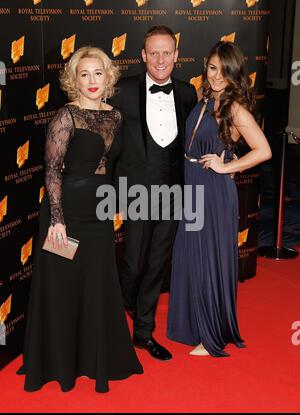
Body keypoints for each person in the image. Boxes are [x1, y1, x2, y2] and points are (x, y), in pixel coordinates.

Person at [17, 46, 143, 392]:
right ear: (74, 79)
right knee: (63, 287)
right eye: (84, 74)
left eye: (98, 73)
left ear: (108, 78)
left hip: (98, 214)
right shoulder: (65, 115)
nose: (91, 80)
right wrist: (57, 219)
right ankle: (60, 363)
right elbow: (53, 172)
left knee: (97, 285)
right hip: (66, 213)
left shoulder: (115, 116)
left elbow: (111, 166)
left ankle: (96, 357)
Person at [167, 41, 272, 357]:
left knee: (209, 262)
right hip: (193, 187)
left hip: (213, 191)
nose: (216, 77)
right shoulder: (204, 99)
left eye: (224, 72)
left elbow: (263, 150)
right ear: (205, 65)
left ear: (234, 74)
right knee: (190, 258)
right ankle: (192, 326)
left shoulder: (234, 108)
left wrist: (228, 165)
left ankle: (211, 335)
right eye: (212, 68)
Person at [113, 26, 197, 360]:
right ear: (143, 55)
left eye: (167, 52)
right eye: (154, 53)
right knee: (133, 263)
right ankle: (126, 307)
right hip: (134, 193)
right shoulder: (122, 90)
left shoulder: (188, 93)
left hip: (174, 193)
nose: (160, 59)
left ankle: (144, 331)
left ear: (176, 56)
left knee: (158, 263)